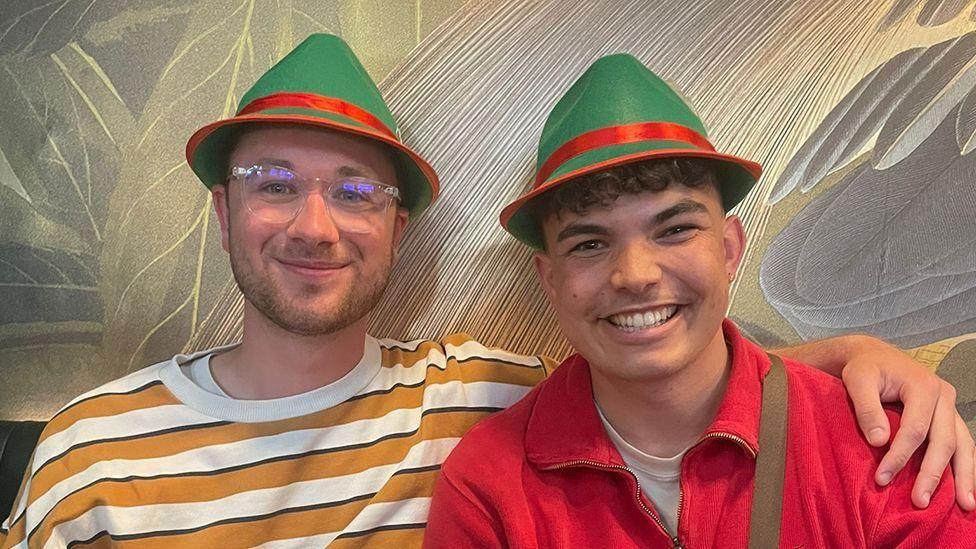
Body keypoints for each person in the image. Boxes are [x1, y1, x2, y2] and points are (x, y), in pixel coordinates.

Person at [1, 35, 972, 548]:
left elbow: (658, 373)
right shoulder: (90, 450)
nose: (313, 224)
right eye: (272, 184)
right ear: (219, 212)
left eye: (354, 192)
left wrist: (854, 365)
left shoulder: (472, 396)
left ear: (396, 226)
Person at [423, 54, 976, 547]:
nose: (635, 276)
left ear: (730, 249)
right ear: (549, 278)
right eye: (590, 244)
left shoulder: (885, 445)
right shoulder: (487, 485)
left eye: (675, 230)